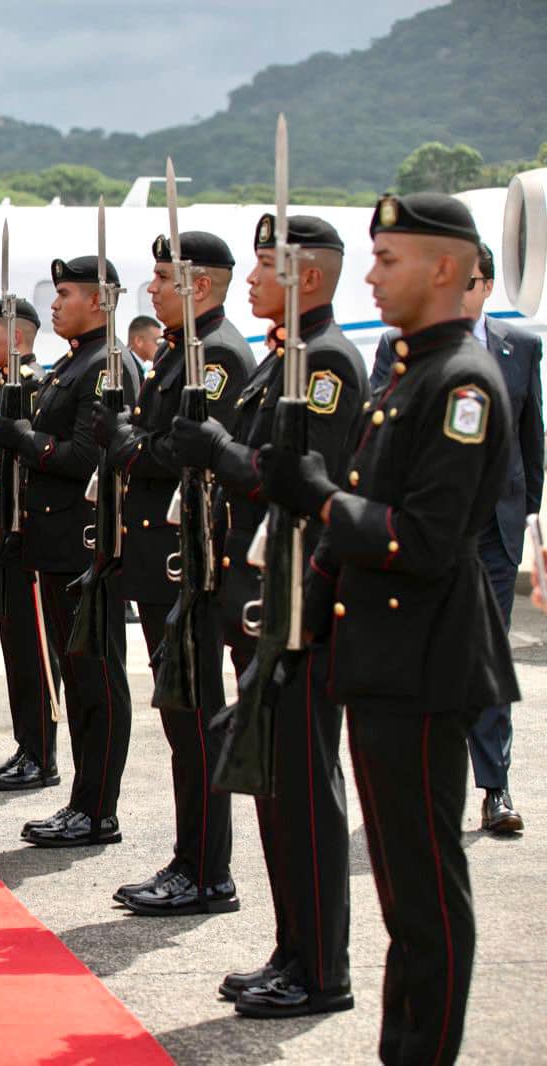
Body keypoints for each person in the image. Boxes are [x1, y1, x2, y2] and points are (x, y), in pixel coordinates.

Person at [260, 191, 517, 1066]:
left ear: (444, 268)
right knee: (404, 892)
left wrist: (321, 498)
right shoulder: (411, 374)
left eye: (387, 259)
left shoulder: (460, 385)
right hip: (382, 657)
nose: (369, 276)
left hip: (424, 660)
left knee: (423, 889)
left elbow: (424, 540)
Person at [173, 213, 364, 1018]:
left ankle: (322, 969)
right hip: (259, 597)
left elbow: (305, 477)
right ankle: (292, 950)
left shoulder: (326, 364)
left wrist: (217, 450)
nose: (248, 281)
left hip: (299, 601)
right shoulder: (285, 356)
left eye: (262, 267)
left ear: (305, 276)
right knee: (274, 787)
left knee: (304, 790)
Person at [94, 232, 254, 915]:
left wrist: (126, 445)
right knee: (181, 718)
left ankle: (207, 872)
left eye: (163, 278)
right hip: (163, 560)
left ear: (200, 285)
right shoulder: (180, 350)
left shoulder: (215, 355)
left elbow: (190, 451)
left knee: (195, 721)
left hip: (187, 560)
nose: (152, 289)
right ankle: (191, 860)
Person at [369, 241, 541, 835]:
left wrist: (525, 518)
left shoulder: (521, 348)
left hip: (494, 533)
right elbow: (378, 431)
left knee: (485, 657)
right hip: (425, 531)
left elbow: (531, 441)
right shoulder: (399, 345)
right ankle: (423, 783)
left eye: (470, 282)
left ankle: (495, 787)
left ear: (486, 287)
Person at [0, 256, 141, 848]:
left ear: (100, 301)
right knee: (76, 681)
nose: (53, 305)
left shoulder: (107, 365)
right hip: (55, 544)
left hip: (84, 545)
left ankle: (97, 809)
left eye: (65, 294)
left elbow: (86, 457)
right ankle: (84, 802)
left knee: (96, 681)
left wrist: (24, 438)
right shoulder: (75, 361)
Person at [0, 298, 65, 795]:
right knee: (15, 650)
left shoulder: (30, 385)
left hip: (25, 533)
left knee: (34, 652)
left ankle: (42, 755)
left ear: (17, 336)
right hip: (2, 532)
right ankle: (27, 745)